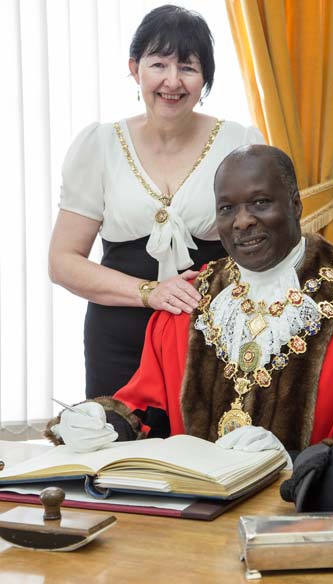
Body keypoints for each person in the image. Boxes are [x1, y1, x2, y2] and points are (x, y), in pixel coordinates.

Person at [46, 145, 333, 457]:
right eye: (227, 208)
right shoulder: (190, 304)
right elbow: (148, 407)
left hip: (308, 532)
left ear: (296, 205)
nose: (242, 220)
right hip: (196, 538)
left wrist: (306, 462)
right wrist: (104, 422)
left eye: (260, 202)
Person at [48, 5, 264, 398]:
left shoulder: (241, 145)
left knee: (214, 454)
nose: (172, 81)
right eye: (158, 64)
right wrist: (150, 291)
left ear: (205, 78)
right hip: (117, 336)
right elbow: (63, 262)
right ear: (135, 69)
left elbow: (268, 249)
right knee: (118, 449)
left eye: (187, 67)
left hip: (214, 332)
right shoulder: (99, 146)